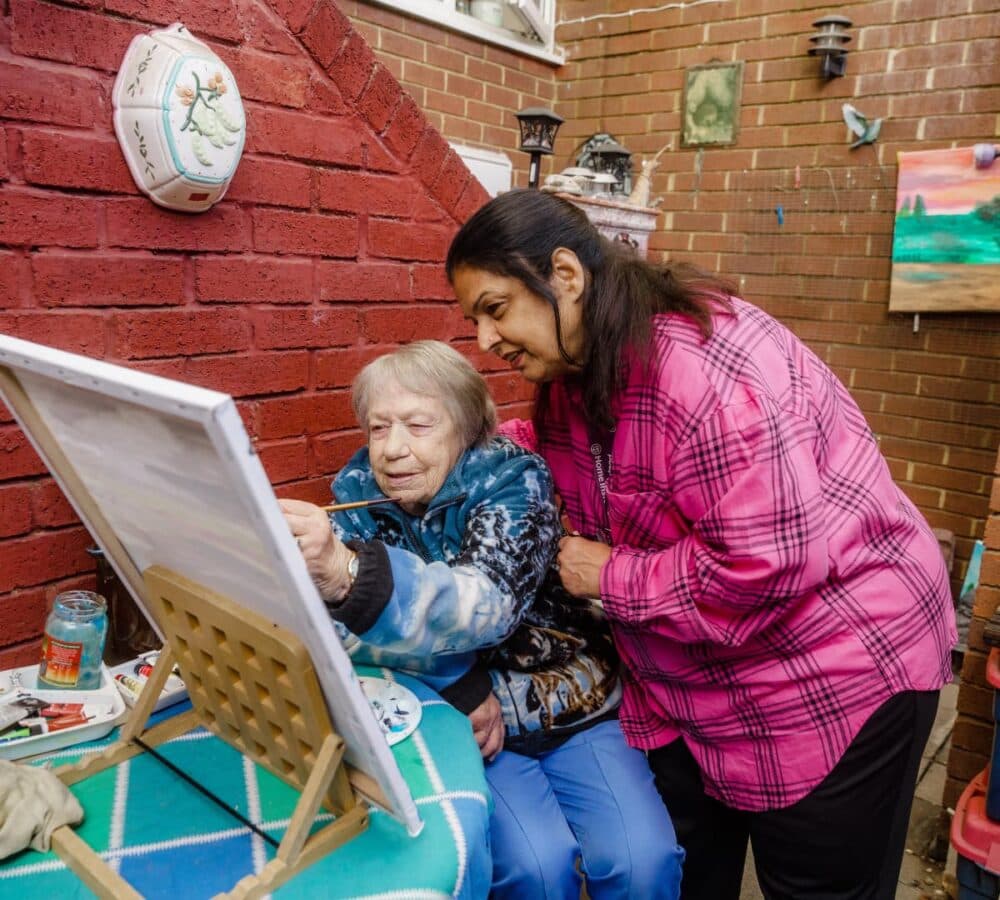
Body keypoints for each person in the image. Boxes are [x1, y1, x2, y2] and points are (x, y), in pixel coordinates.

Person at [445, 189, 957, 900]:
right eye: (474, 319)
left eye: (495, 309)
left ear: (565, 275)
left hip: (840, 668)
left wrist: (612, 576)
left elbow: (769, 566)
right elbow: (588, 465)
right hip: (699, 687)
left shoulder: (701, 377)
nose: (485, 341)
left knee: (817, 884)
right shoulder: (575, 371)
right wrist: (458, 446)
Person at [280, 339, 683, 900]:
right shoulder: (356, 496)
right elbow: (343, 630)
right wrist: (460, 684)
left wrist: (350, 576)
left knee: (642, 862)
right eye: (378, 428)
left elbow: (486, 606)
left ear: (466, 428)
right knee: (533, 872)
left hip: (570, 701)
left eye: (418, 425)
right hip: (471, 725)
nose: (393, 449)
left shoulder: (514, 481)